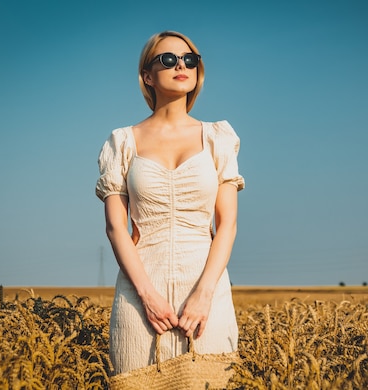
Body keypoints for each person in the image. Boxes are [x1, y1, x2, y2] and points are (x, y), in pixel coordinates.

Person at [95, 31, 244, 376]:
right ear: (147, 76)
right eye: (168, 59)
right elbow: (116, 227)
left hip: (207, 293)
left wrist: (204, 294)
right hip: (139, 294)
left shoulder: (218, 137)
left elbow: (228, 226)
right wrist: (147, 297)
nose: (181, 65)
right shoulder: (122, 142)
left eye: (189, 59)